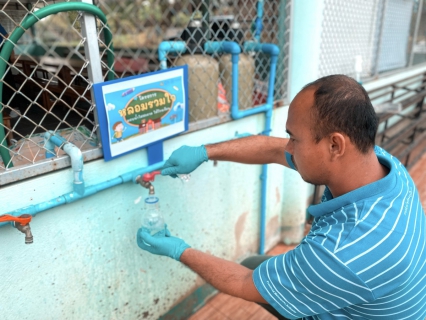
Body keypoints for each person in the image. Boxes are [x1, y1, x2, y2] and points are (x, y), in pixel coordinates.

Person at [136, 75, 426, 319]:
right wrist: (204, 152)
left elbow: (243, 282)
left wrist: (177, 250)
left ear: (335, 145)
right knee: (255, 264)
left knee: (252, 273)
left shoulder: (343, 252)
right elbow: (275, 150)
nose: (288, 146)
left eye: (294, 138)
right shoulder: (381, 164)